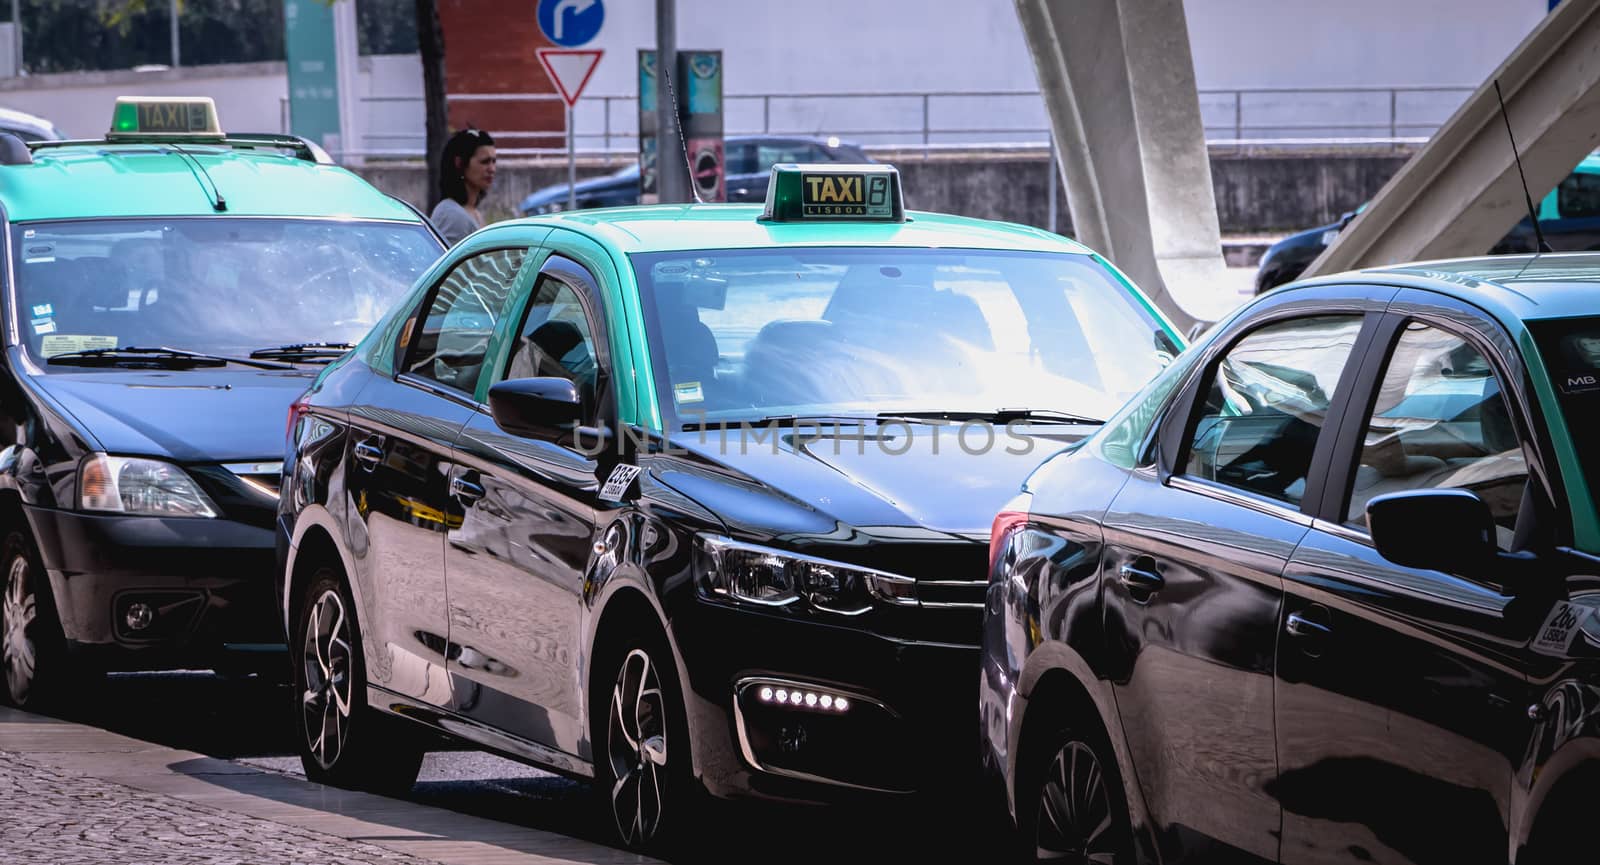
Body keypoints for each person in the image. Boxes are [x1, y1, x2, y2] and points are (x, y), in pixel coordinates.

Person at [431, 128, 496, 246]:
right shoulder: (451, 215)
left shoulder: (474, 212)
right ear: (459, 163)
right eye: (484, 162)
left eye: (493, 161)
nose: (492, 169)